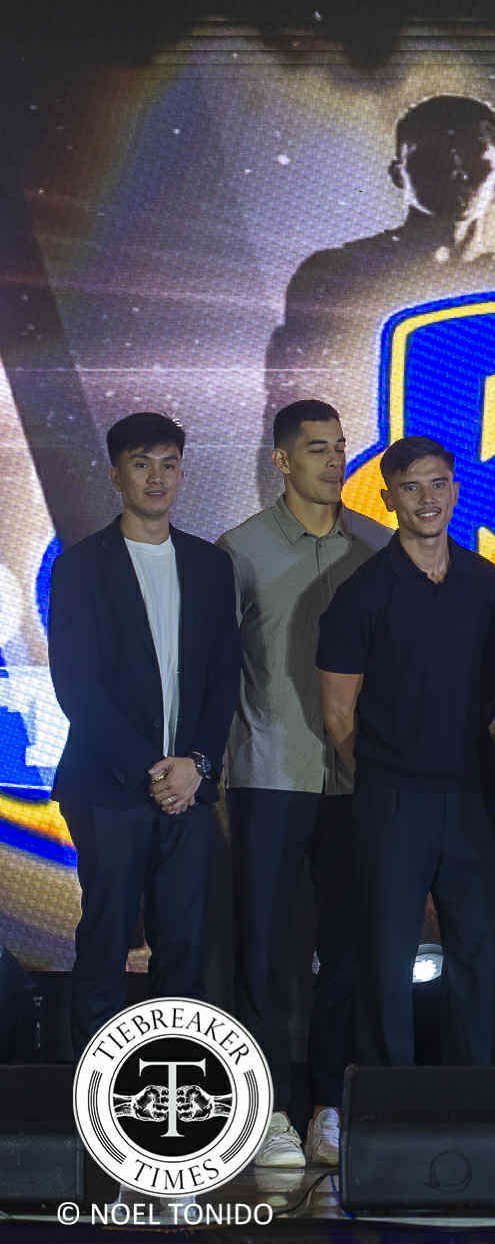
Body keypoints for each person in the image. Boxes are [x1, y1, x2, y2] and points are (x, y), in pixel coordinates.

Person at [217, 400, 387, 1168]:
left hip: (353, 782)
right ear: (281, 460)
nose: (334, 461)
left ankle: (327, 1109)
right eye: (317, 448)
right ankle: (269, 1111)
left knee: (346, 952)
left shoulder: (374, 548)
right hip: (270, 776)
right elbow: (216, 668)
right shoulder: (240, 549)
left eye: (340, 447)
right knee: (265, 952)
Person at [317, 436, 495, 1069]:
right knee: (386, 953)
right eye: (410, 487)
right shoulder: (362, 592)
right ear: (388, 497)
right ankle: (384, 1099)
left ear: (455, 490)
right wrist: (385, 775)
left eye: (437, 484)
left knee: (478, 952)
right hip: (392, 798)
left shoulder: (491, 586)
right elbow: (338, 713)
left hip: (474, 798)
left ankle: (474, 1093)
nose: (427, 499)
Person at [50, 412, 238, 1052]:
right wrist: (155, 771)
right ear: (116, 475)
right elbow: (78, 686)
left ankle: (174, 1081)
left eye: (168, 464)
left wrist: (196, 766)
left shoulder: (210, 565)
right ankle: (92, 1089)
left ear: (181, 473)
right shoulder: (81, 567)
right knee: (106, 939)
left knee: (184, 945)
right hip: (108, 788)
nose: (156, 478)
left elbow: (223, 676)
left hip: (191, 787)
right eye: (141, 464)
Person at [267, 95, 495, 472]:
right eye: (433, 158)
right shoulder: (334, 276)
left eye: (473, 158)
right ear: (398, 173)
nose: (455, 173)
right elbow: (288, 416)